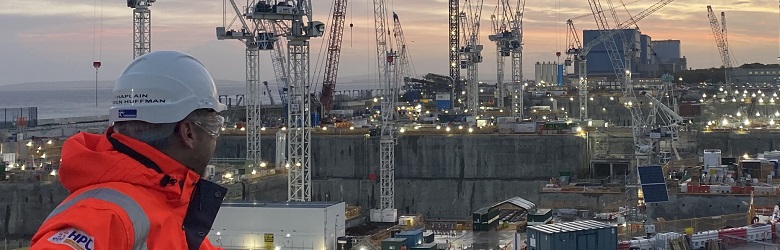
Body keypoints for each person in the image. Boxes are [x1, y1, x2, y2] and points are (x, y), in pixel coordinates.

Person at [31, 51, 228, 250]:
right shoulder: (104, 216)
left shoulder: (172, 209)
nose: (215, 138)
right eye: (214, 127)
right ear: (188, 132)